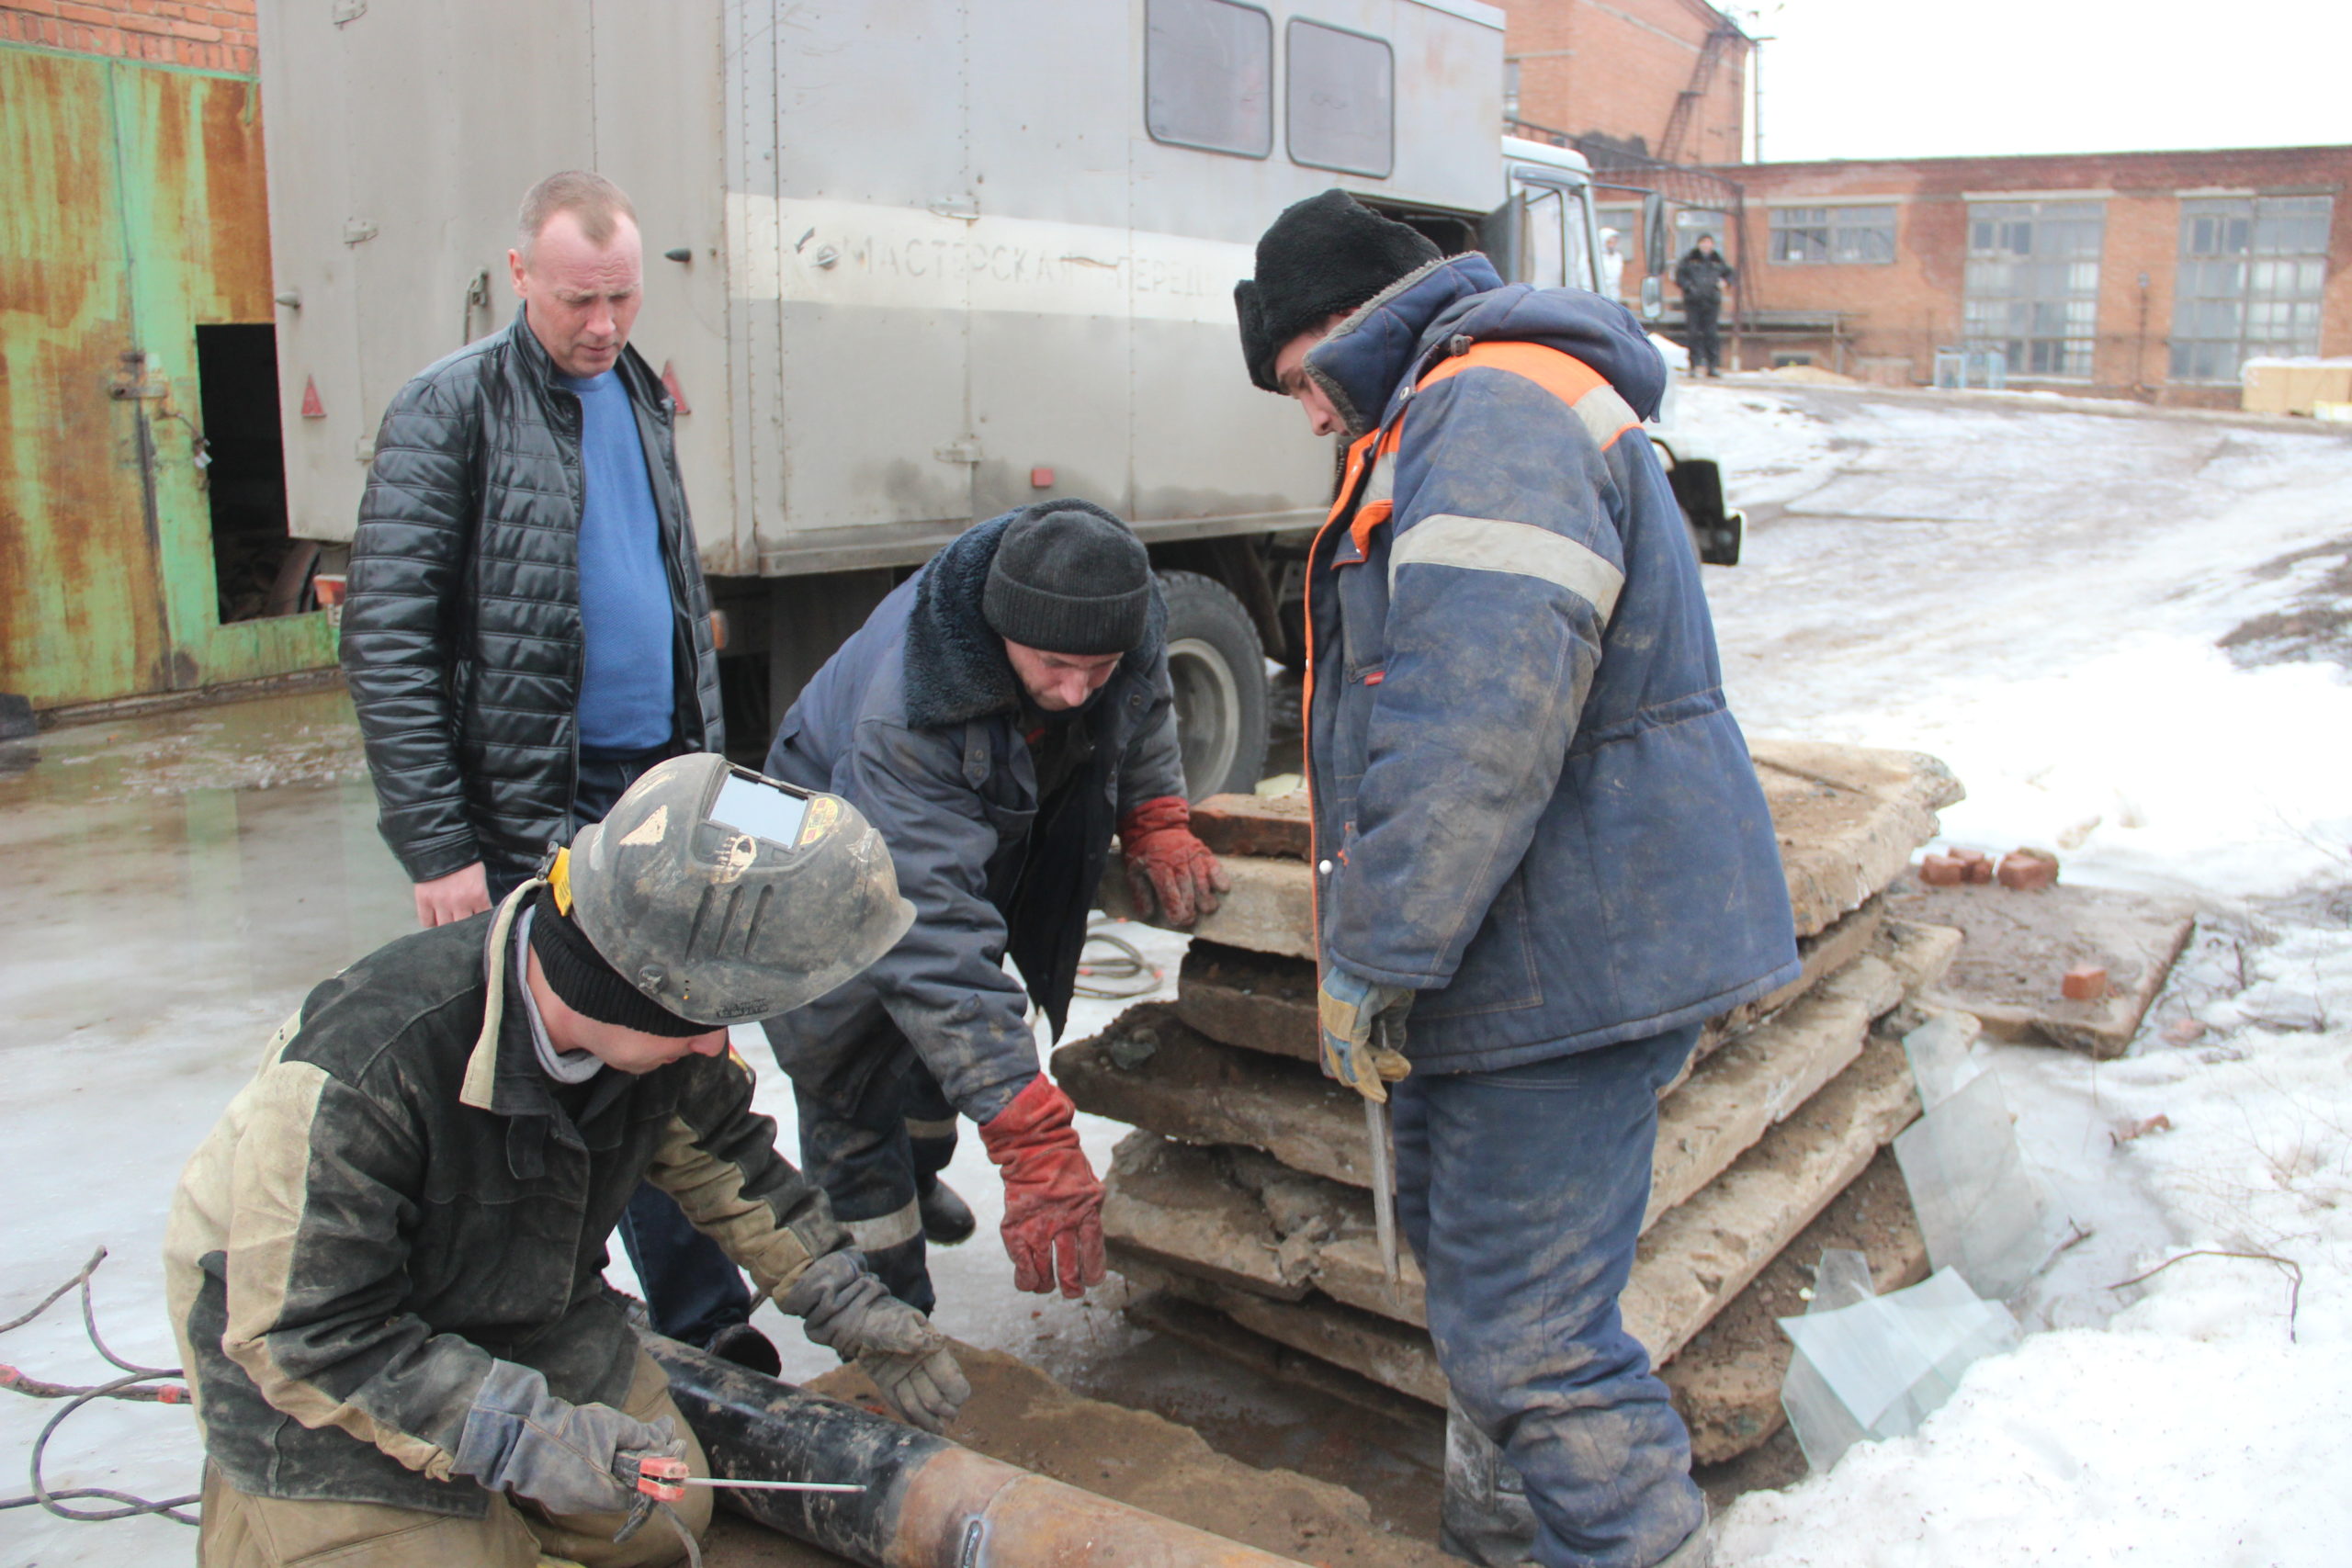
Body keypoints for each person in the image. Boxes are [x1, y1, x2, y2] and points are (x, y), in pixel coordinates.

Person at [1233, 189, 1798, 1568]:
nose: (1310, 415)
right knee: (1475, 1268)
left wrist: (1380, 944)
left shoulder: (1487, 411)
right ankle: (1508, 1532)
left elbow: (1472, 717)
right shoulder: (1471, 400)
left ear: (1342, 327)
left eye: (1300, 378)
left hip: (1567, 948)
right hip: (1539, 936)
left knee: (1532, 1334)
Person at [164, 756, 969, 1568]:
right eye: (702, 1021)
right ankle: (265, 1522)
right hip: (311, 1362)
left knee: (665, 1509)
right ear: (624, 986)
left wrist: (849, 1302)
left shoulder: (661, 1022)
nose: (714, 1045)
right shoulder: (364, 1071)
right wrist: (524, 1431)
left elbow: (733, 1162)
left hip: (513, 1305)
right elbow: (306, 1333)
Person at [341, 170, 763, 1369]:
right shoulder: (451, 409)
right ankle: (542, 1315)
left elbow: (680, 605)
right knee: (545, 1073)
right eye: (579, 298)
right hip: (530, 810)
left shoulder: (636, 393)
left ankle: (705, 1319)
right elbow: (388, 637)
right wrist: (438, 846)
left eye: (623, 297)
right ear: (520, 273)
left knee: (670, 1047)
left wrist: (703, 791)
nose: (603, 324)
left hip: (649, 799)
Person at [759, 502, 1228, 1314]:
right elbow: (931, 935)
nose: (1077, 690)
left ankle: (921, 1168)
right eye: (1054, 665)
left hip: (953, 836)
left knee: (935, 1068)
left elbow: (1143, 705)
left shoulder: (1120, 618)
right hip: (823, 861)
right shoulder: (907, 710)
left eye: (1098, 666)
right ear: (1002, 628)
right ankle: (887, 1312)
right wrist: (1031, 1138)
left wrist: (1155, 813)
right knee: (850, 1072)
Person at [1673, 232, 1736, 377]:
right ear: (1699, 244)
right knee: (1693, 334)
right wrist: (1689, 287)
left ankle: (1712, 366)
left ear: (1712, 245)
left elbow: (1730, 274)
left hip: (1712, 301)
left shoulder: (1717, 260)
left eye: (1709, 243)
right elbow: (1679, 276)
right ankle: (1694, 366)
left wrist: (1725, 283)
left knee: (1711, 334)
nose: (1706, 245)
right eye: (1703, 242)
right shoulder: (1690, 259)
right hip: (1693, 302)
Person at [1598, 226, 1626, 300]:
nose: (1612, 245)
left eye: (1614, 242)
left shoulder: (1618, 257)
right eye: (1609, 242)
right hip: (1600, 296)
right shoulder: (1597, 258)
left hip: (1614, 296)